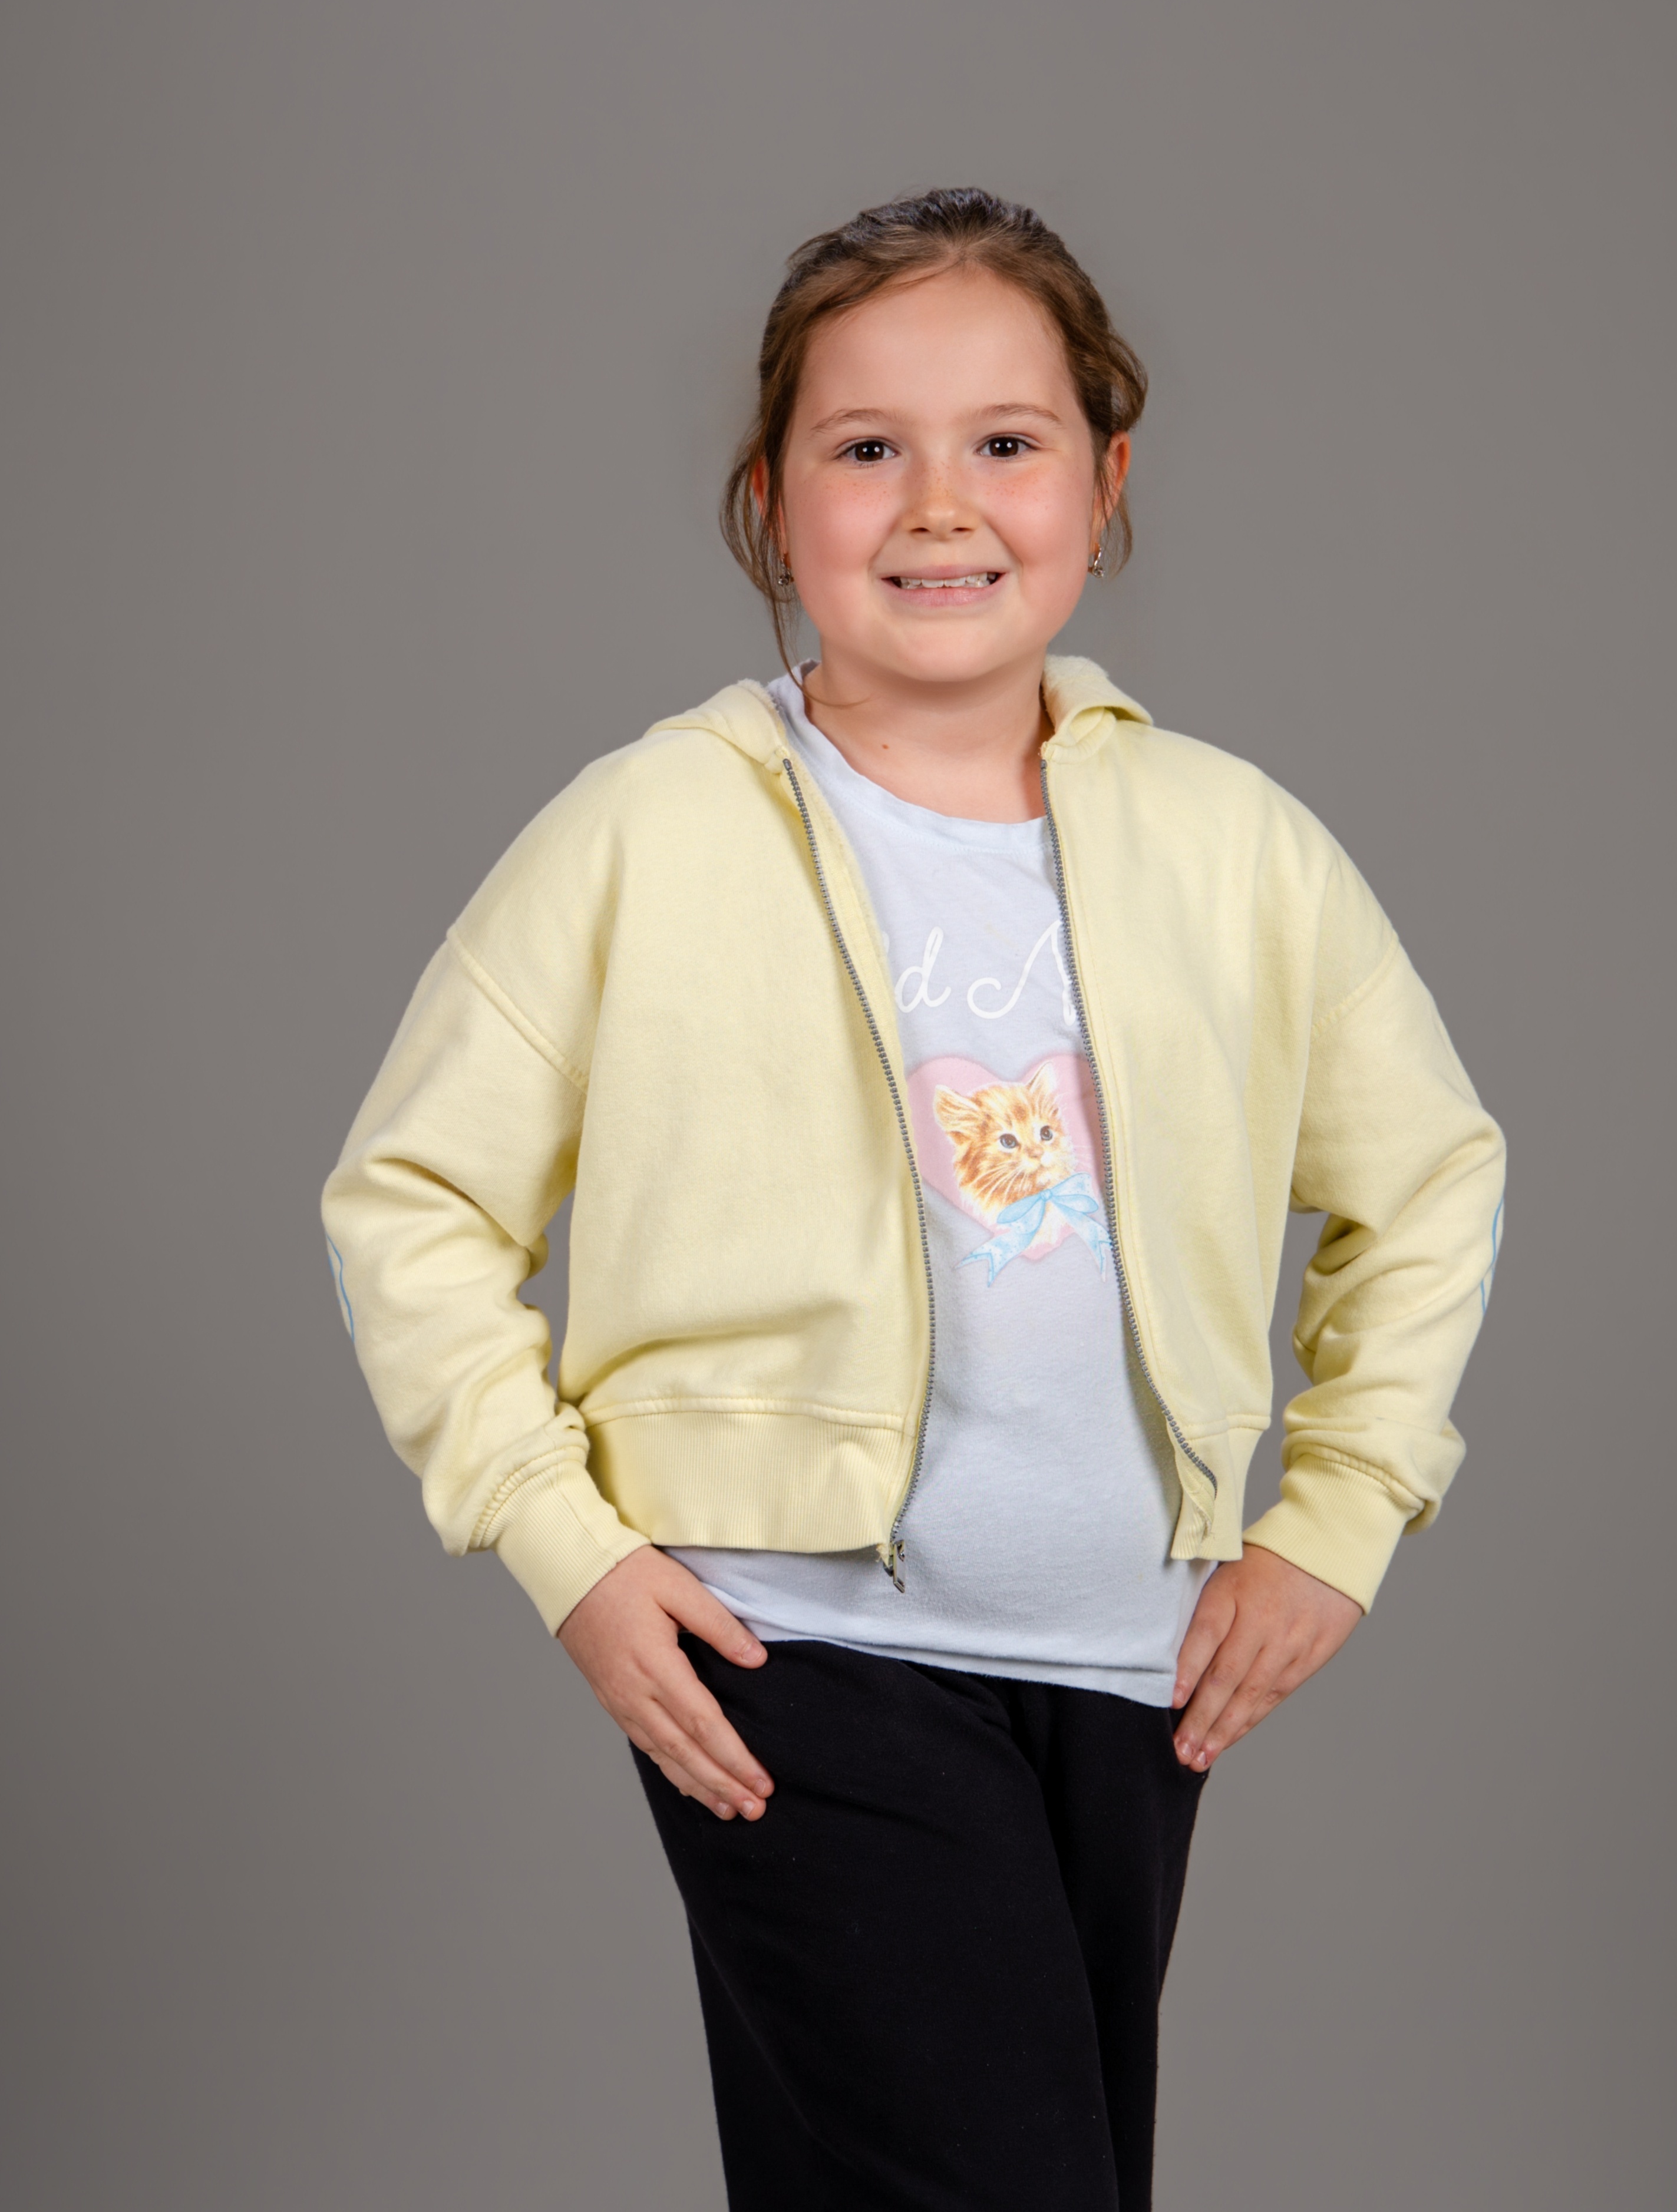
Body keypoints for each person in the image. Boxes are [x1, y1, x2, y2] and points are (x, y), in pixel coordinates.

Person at [322, 187, 1506, 2211]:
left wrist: (1341, 1514)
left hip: (1130, 1671)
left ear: (1105, 483)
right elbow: (411, 1194)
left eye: (1007, 442)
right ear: (772, 502)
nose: (939, 504)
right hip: (789, 1649)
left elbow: (1429, 1178)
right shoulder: (646, 831)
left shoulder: (1238, 848)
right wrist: (560, 1540)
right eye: (867, 447)